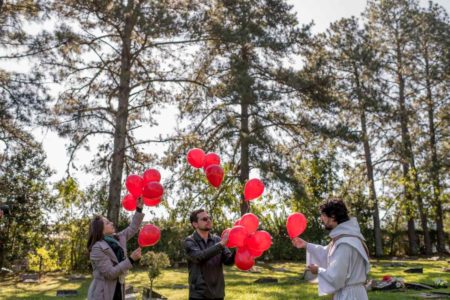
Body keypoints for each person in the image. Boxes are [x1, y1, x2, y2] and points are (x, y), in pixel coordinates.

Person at [292, 198, 370, 300]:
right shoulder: (346, 238)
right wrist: (306, 245)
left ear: (333, 216)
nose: (321, 218)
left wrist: (318, 270)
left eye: (323, 215)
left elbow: (336, 277)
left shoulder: (345, 243)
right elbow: (328, 253)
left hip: (350, 296)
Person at [87, 197, 144, 300]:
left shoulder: (118, 238)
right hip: (103, 293)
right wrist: (131, 259)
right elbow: (110, 274)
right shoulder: (96, 248)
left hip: (118, 288)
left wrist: (139, 209)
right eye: (108, 223)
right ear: (101, 230)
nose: (112, 223)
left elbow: (133, 228)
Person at [184, 209, 235, 300]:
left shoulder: (217, 240)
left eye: (209, 218)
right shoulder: (189, 241)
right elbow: (199, 257)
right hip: (199, 295)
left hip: (218, 294)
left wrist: (238, 249)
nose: (208, 220)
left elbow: (228, 261)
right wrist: (221, 244)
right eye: (204, 219)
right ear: (195, 224)